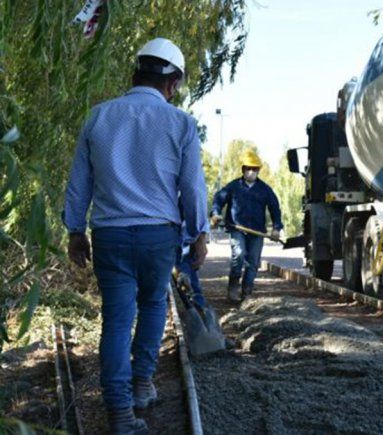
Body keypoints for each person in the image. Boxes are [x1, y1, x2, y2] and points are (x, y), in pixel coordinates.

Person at [63, 38, 208, 434]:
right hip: (158, 237)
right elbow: (192, 187)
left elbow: (79, 184)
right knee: (153, 305)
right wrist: (198, 233)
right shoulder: (181, 124)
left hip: (109, 235)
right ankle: (142, 383)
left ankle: (121, 415)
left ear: (135, 73)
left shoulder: (98, 117)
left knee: (115, 320)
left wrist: (75, 231)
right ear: (173, 83)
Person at [211, 150, 283, 302]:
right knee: (238, 255)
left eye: (255, 169)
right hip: (237, 229)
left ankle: (247, 292)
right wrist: (216, 213)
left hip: (257, 232)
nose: (251, 171)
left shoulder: (265, 189)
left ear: (258, 170)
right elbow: (218, 199)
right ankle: (233, 287)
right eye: (248, 168)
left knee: (253, 263)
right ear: (243, 169)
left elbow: (275, 208)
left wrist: (276, 228)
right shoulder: (233, 187)